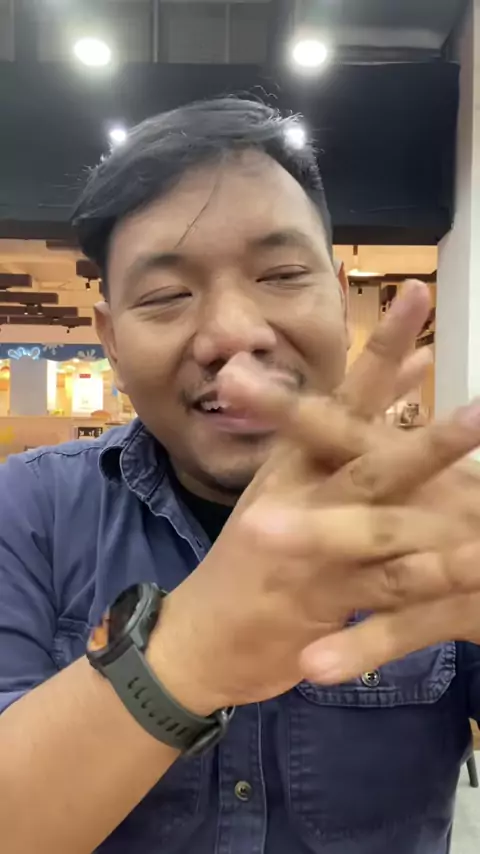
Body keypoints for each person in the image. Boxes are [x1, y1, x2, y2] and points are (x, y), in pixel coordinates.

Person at [2, 98, 480, 854]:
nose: (234, 335)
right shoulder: (27, 510)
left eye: (282, 275)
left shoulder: (441, 521)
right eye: (167, 296)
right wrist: (187, 652)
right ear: (111, 341)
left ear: (339, 292)